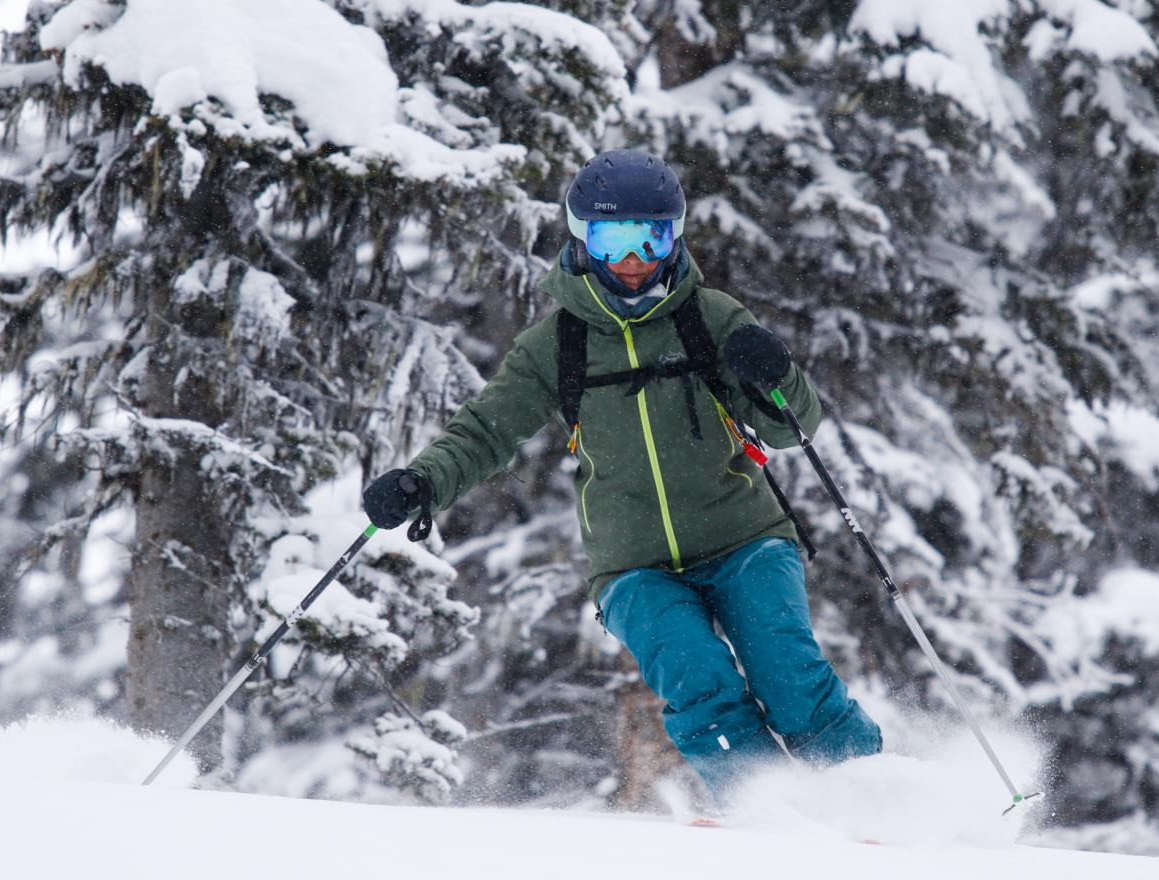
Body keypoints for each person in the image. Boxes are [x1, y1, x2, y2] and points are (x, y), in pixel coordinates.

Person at [362, 149, 881, 805]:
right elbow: (487, 430)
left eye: (650, 239)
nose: (633, 259)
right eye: (614, 240)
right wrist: (423, 482)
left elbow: (789, 428)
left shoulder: (711, 318)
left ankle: (867, 800)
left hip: (745, 539)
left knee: (789, 674)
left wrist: (777, 376)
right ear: (583, 240)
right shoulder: (559, 344)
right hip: (634, 566)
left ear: (674, 237)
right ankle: (767, 809)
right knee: (699, 683)